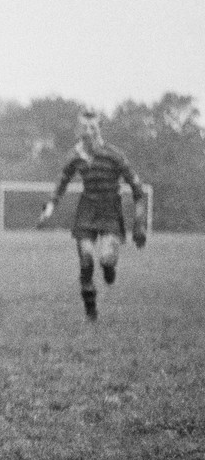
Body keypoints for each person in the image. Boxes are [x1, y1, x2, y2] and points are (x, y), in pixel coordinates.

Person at [38, 110, 148, 321]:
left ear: (99, 130)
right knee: (86, 259)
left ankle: (109, 268)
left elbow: (138, 191)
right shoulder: (76, 156)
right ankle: (91, 312)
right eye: (84, 129)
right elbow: (61, 182)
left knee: (106, 259)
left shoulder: (114, 155)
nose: (88, 133)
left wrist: (140, 224)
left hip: (110, 212)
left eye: (92, 128)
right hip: (87, 210)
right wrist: (49, 207)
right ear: (79, 132)